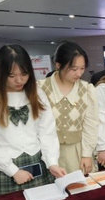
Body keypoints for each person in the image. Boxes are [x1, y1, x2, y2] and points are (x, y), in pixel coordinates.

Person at [0, 44, 66, 199]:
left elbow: (47, 131)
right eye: (11, 75)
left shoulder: (36, 93)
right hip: (4, 164)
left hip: (37, 160)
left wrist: (52, 162)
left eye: (24, 73)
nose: (19, 80)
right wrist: (12, 170)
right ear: (0, 72)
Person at [38, 41, 98, 174]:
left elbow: (91, 125)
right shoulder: (40, 88)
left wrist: (87, 154)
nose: (79, 74)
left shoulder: (87, 90)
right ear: (58, 65)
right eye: (74, 69)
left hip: (77, 152)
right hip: (46, 153)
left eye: (82, 68)